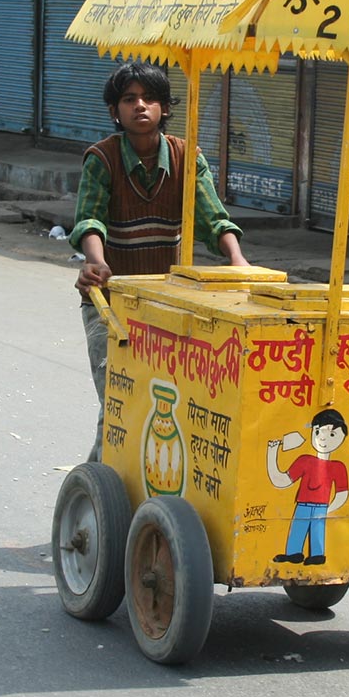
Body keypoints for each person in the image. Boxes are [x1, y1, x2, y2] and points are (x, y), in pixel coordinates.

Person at [70, 62, 248, 461]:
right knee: (119, 402)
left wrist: (237, 258)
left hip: (168, 305)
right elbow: (89, 219)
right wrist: (95, 263)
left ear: (165, 108)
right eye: (129, 99)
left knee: (170, 404)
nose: (140, 106)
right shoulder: (102, 158)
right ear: (115, 110)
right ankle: (99, 498)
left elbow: (213, 216)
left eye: (149, 98)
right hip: (110, 304)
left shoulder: (188, 157)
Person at [267, 409, 349, 567]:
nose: (323, 439)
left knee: (318, 530)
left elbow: (342, 493)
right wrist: (272, 453)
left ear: (342, 437)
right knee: (298, 527)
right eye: (318, 431)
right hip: (303, 504)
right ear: (313, 432)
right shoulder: (305, 461)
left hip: (321, 506)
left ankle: (317, 555)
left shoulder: (338, 467)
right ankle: (293, 553)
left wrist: (329, 508)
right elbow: (281, 480)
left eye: (332, 434)